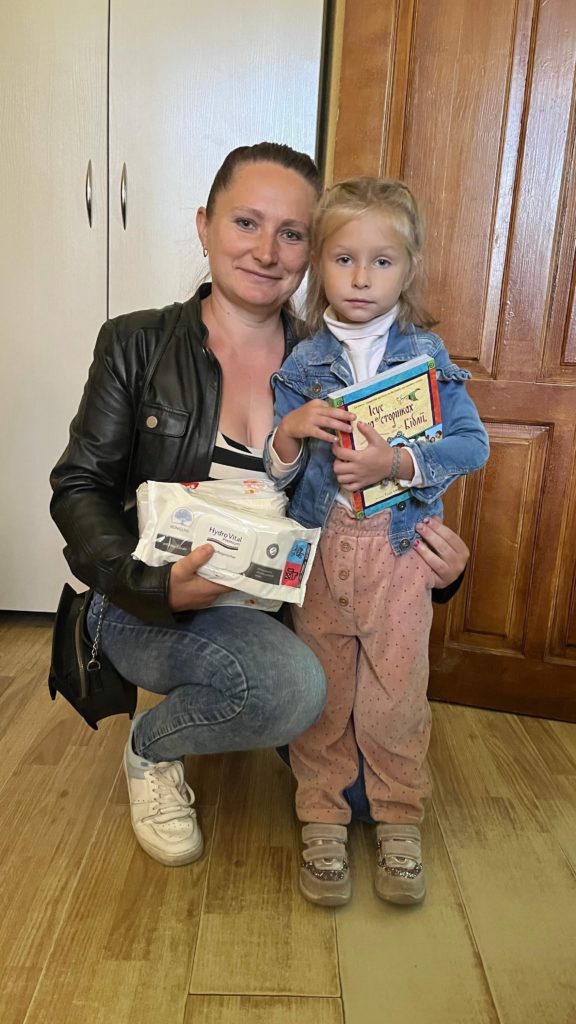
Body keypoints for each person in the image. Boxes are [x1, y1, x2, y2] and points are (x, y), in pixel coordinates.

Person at [50, 145, 470, 871]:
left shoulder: (330, 363)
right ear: (205, 226)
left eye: (294, 234)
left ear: (316, 251)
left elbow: (379, 500)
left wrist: (445, 568)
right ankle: (151, 750)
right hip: (147, 600)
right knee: (292, 690)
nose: (268, 252)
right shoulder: (137, 343)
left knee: (363, 798)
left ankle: (262, 699)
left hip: (277, 610)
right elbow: (79, 487)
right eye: (247, 222)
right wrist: (152, 584)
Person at [264, 176, 489, 906]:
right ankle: (322, 818)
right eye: (344, 259)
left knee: (396, 690)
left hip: (398, 544)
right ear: (318, 266)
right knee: (325, 692)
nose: (361, 278)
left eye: (382, 261)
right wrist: (290, 436)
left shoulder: (428, 356)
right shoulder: (301, 363)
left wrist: (398, 462)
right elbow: (277, 474)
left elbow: (471, 444)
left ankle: (398, 820)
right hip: (323, 545)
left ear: (410, 267)